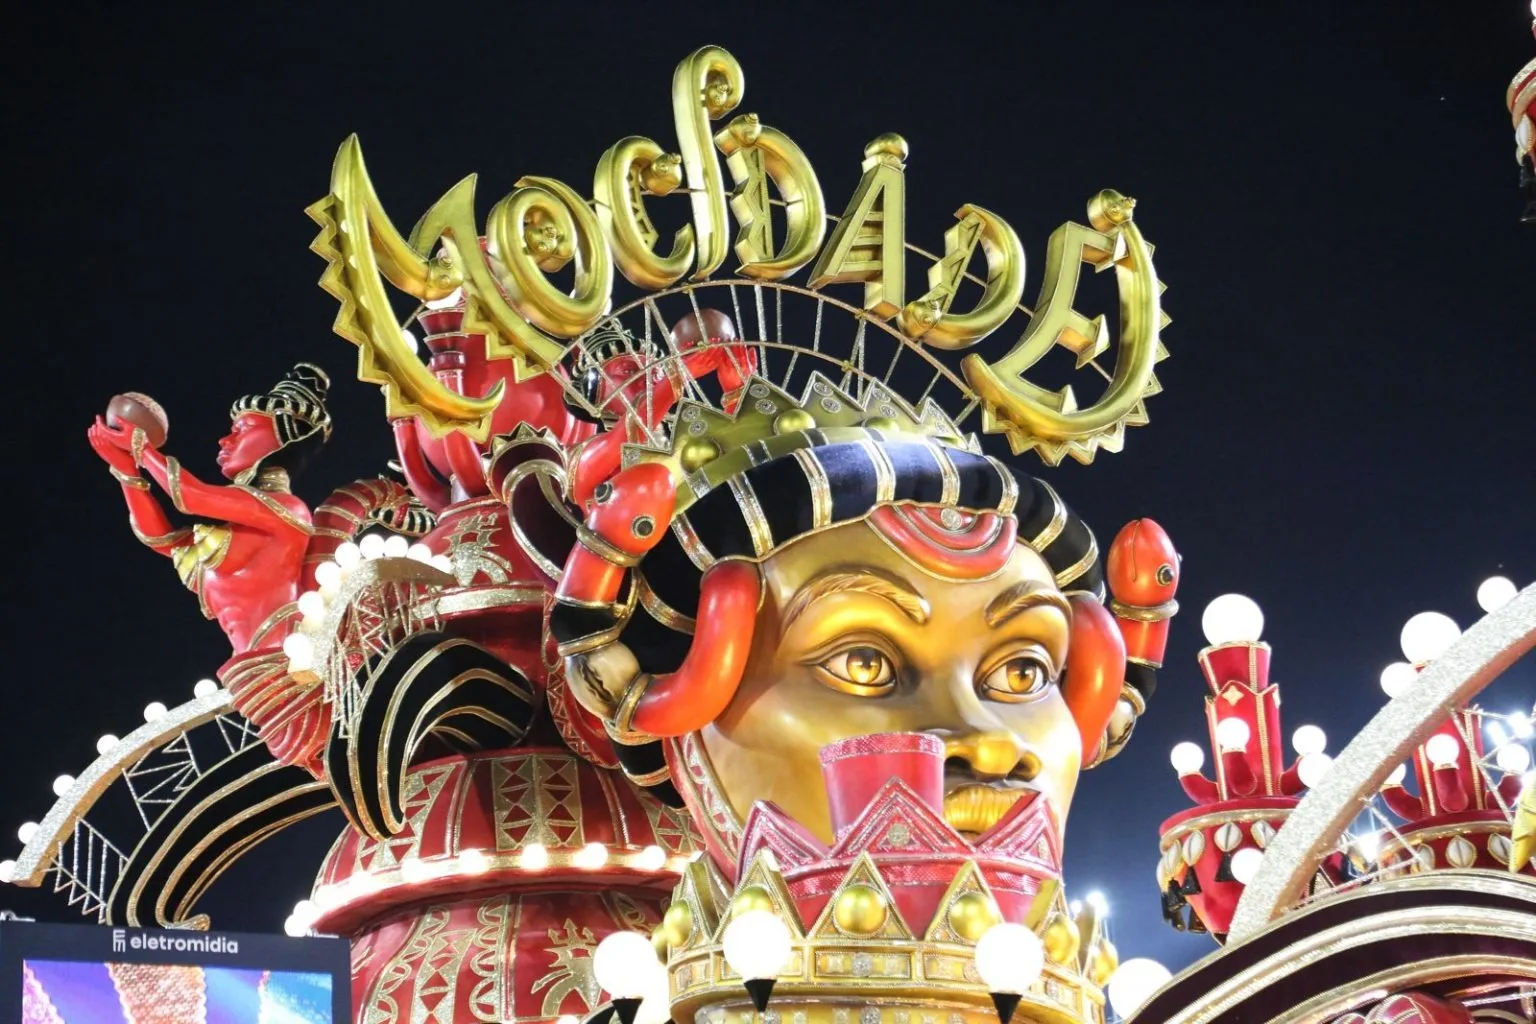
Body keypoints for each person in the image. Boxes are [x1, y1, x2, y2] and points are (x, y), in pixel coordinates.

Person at [86, 363, 331, 654]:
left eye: (241, 429)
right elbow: (163, 540)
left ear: (284, 437)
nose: (225, 440)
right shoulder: (234, 529)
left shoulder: (287, 509)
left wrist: (143, 449)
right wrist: (127, 471)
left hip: (283, 659)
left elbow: (191, 497)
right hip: (246, 666)